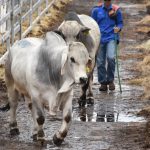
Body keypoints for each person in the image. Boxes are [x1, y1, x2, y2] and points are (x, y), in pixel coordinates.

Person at [91, 0, 123, 91]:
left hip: (112, 37)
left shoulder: (116, 10)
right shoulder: (96, 11)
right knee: (100, 61)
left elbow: (120, 23)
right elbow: (92, 23)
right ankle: (103, 82)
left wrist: (119, 28)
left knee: (111, 58)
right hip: (99, 39)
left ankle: (111, 80)